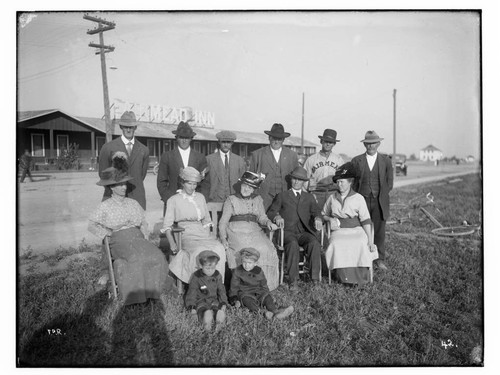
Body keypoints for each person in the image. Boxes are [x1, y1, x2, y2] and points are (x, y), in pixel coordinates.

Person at [88, 155, 170, 305]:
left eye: (125, 184)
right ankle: (137, 298)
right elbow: (92, 225)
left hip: (137, 237)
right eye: (120, 185)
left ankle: (153, 292)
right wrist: (107, 233)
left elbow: (143, 222)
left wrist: (145, 235)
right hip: (118, 240)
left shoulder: (132, 203)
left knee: (157, 256)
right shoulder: (105, 206)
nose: (124, 187)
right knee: (136, 258)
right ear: (111, 187)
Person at [161, 167, 226, 284]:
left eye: (195, 184)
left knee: (219, 248)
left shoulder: (200, 197)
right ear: (182, 183)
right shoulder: (174, 200)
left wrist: (209, 236)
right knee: (199, 251)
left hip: (202, 233)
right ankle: (198, 286)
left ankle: (216, 285)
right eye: (189, 184)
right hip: (185, 234)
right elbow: (167, 225)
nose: (192, 187)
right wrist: (172, 243)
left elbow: (206, 220)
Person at [218, 171, 280, 291]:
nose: (246, 189)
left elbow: (262, 217)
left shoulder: (257, 199)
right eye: (244, 186)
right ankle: (243, 286)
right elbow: (223, 222)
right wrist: (223, 238)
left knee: (265, 248)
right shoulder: (231, 200)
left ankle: (263, 286)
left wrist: (268, 223)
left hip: (254, 230)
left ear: (254, 190)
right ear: (240, 185)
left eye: (250, 187)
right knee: (243, 250)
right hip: (236, 230)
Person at [267, 166, 323, 291]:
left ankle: (315, 279)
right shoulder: (282, 195)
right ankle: (293, 281)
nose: (296, 182)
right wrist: (277, 216)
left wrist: (318, 219)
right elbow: (271, 211)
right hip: (287, 232)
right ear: (291, 180)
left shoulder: (309, 197)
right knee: (292, 244)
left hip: (303, 232)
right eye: (294, 179)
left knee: (314, 243)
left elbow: (317, 212)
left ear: (304, 182)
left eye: (300, 180)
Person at [322, 162, 378, 285]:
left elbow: (366, 220)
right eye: (337, 182)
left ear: (350, 182)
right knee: (337, 243)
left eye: (342, 182)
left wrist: (370, 240)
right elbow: (323, 214)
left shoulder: (358, 198)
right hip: (338, 230)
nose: (339, 184)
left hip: (356, 229)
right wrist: (329, 219)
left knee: (360, 242)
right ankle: (342, 277)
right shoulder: (332, 198)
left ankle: (361, 278)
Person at [351, 131, 393, 271]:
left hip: (379, 200)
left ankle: (379, 259)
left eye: (374, 143)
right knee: (361, 229)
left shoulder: (385, 160)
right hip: (361, 200)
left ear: (379, 144)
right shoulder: (357, 160)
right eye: (368, 143)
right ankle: (361, 258)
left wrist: (380, 195)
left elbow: (389, 183)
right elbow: (354, 183)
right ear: (364, 144)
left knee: (379, 231)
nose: (371, 146)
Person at [98, 111, 149, 210]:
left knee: (136, 225)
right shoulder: (108, 148)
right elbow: (103, 175)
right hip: (114, 198)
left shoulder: (144, 150)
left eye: (131, 127)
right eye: (126, 127)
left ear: (135, 127)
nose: (128, 129)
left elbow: (141, 176)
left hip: (136, 197)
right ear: (121, 127)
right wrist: (116, 189)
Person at [157, 121, 209, 216]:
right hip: (173, 202)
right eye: (181, 137)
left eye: (187, 138)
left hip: (194, 203)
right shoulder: (167, 156)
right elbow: (161, 182)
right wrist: (170, 199)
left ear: (191, 139)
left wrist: (200, 199)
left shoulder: (200, 157)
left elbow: (206, 183)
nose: (184, 140)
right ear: (176, 138)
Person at [229, 248, 294, 320]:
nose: (246, 265)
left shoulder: (259, 271)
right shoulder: (238, 271)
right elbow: (233, 287)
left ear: (255, 263)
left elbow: (263, 285)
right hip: (245, 293)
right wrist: (234, 299)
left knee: (267, 298)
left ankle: (275, 311)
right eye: (244, 262)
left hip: (259, 292)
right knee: (248, 302)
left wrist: (266, 294)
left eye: (249, 263)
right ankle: (263, 313)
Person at [249, 123, 299, 210]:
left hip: (285, 198)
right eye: (274, 138)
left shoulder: (292, 155)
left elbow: (297, 178)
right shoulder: (258, 154)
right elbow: (251, 180)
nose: (276, 141)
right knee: (263, 221)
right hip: (264, 198)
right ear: (269, 138)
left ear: (283, 140)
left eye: (279, 139)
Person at [185, 250, 228, 331]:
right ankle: (206, 321)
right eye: (208, 268)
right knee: (203, 310)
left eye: (213, 268)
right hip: (200, 301)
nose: (210, 270)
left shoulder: (217, 275)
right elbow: (192, 292)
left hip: (213, 300)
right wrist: (192, 307)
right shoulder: (196, 277)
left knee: (216, 308)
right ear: (200, 266)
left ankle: (218, 320)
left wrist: (223, 302)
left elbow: (221, 290)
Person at [206, 130, 247, 203]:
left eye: (228, 142)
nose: (226, 145)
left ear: (232, 143)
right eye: (223, 142)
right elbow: (205, 183)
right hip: (215, 200)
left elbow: (243, 182)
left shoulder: (239, 160)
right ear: (219, 142)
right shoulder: (209, 159)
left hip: (235, 200)